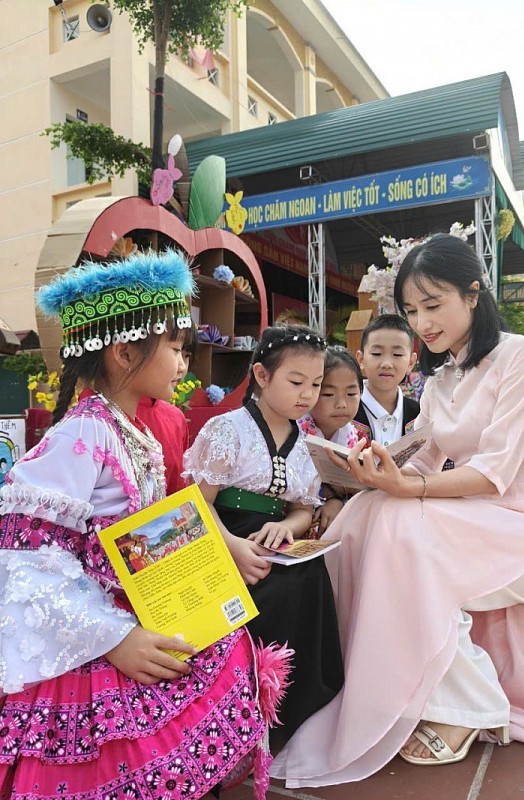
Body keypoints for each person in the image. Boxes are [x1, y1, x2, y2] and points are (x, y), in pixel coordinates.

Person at [272, 233, 524, 788]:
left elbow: (494, 472)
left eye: (433, 304)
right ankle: (360, 679)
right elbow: (424, 459)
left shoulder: (520, 358)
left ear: (473, 295)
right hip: (479, 526)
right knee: (363, 517)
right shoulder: (443, 379)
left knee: (396, 521)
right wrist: (369, 469)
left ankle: (473, 704)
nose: (422, 323)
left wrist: (404, 489)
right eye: (411, 310)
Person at [0, 251, 279, 799]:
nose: (184, 363)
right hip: (97, 635)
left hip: (142, 606)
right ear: (125, 351)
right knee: (120, 758)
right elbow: (28, 559)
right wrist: (113, 639)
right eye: (176, 348)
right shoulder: (81, 434)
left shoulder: (131, 431)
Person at [183, 325, 344, 735]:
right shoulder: (226, 429)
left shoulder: (304, 443)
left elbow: (302, 509)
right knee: (277, 586)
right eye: (296, 382)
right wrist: (233, 547)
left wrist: (286, 526)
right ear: (261, 376)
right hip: (223, 536)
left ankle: (295, 707)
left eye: (316, 384)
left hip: (275, 539)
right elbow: (196, 503)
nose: (307, 394)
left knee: (309, 576)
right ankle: (244, 709)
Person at [297, 346, 365, 535]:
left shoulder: (357, 438)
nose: (342, 404)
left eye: (351, 394)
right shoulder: (292, 432)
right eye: (328, 394)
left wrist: (337, 501)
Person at [353, 314, 419, 445]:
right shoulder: (345, 410)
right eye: (377, 354)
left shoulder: (419, 414)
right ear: (361, 359)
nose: (387, 364)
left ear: (411, 362)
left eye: (397, 354)